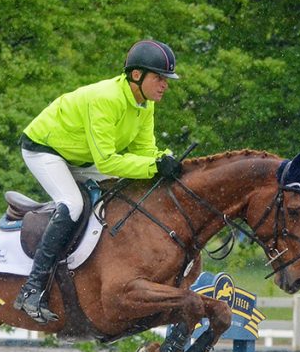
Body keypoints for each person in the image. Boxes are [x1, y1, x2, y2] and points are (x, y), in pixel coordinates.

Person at [13, 39, 183, 324]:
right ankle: (31, 289)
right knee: (73, 204)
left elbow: (144, 153)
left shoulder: (144, 105)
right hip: (44, 150)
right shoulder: (106, 98)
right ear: (137, 75)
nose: (165, 84)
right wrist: (154, 164)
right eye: (159, 78)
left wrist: (166, 160)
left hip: (81, 157)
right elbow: (107, 162)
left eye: (166, 79)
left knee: (127, 188)